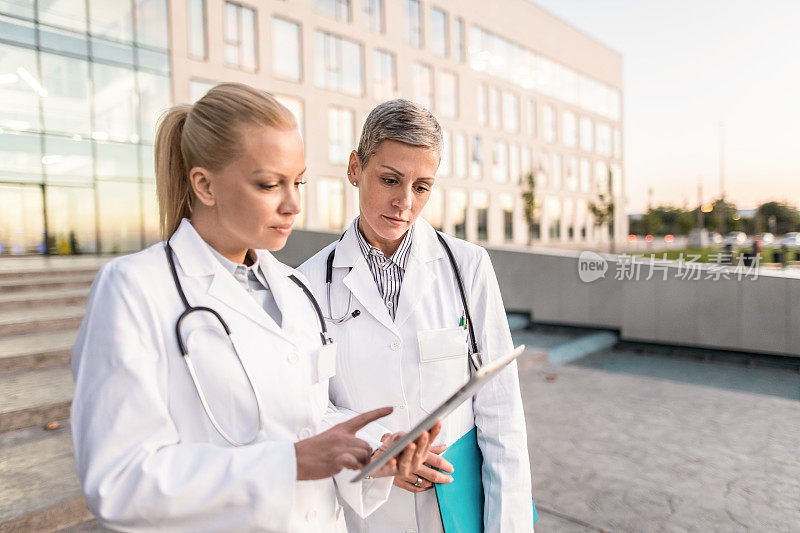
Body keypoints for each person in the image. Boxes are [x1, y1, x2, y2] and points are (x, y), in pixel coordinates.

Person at [70, 83, 439, 532]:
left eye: (298, 182)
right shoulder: (134, 290)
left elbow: (306, 418)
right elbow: (119, 481)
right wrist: (287, 464)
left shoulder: (295, 290)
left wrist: (369, 452)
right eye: (269, 184)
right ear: (204, 184)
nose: (293, 204)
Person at [298, 99, 533, 532]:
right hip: (367, 512)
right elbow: (309, 409)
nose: (404, 202)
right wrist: (381, 452)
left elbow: (501, 411)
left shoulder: (469, 267)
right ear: (355, 168)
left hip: (458, 511)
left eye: (422, 186)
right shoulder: (307, 284)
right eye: (389, 179)